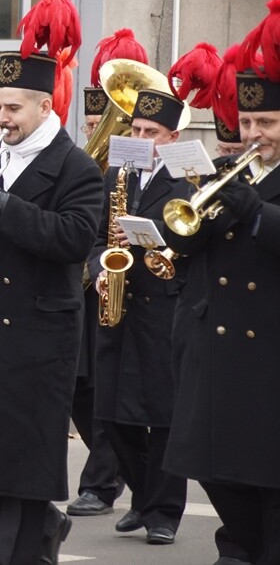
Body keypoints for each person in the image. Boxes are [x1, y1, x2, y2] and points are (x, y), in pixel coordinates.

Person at [0, 0, 104, 565]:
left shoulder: (75, 167)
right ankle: (40, 529)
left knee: (23, 457)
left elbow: (73, 239)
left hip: (36, 332)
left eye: (13, 109)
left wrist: (0, 208)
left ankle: (19, 547)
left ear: (43, 107)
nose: (1, 118)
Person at [163, 0, 280, 563]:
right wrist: (192, 215)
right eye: (249, 123)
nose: (255, 134)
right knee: (217, 472)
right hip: (216, 350)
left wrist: (255, 210)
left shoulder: (255, 187)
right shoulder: (236, 171)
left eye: (267, 123)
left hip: (270, 353)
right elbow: (187, 244)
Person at [87, 89, 190, 546]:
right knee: (112, 414)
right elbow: (93, 239)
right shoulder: (117, 176)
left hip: (165, 308)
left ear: (174, 137)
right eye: (136, 130)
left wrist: (160, 250)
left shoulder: (190, 180)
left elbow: (196, 241)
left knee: (163, 416)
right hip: (118, 306)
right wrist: (97, 273)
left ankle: (164, 511)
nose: (141, 138)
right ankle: (144, 497)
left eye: (152, 132)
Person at [66, 85, 126, 521]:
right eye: (88, 127)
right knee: (79, 389)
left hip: (117, 290)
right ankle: (122, 466)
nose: (95, 137)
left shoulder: (125, 174)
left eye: (100, 127)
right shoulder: (82, 170)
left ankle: (102, 481)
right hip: (82, 287)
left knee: (106, 387)